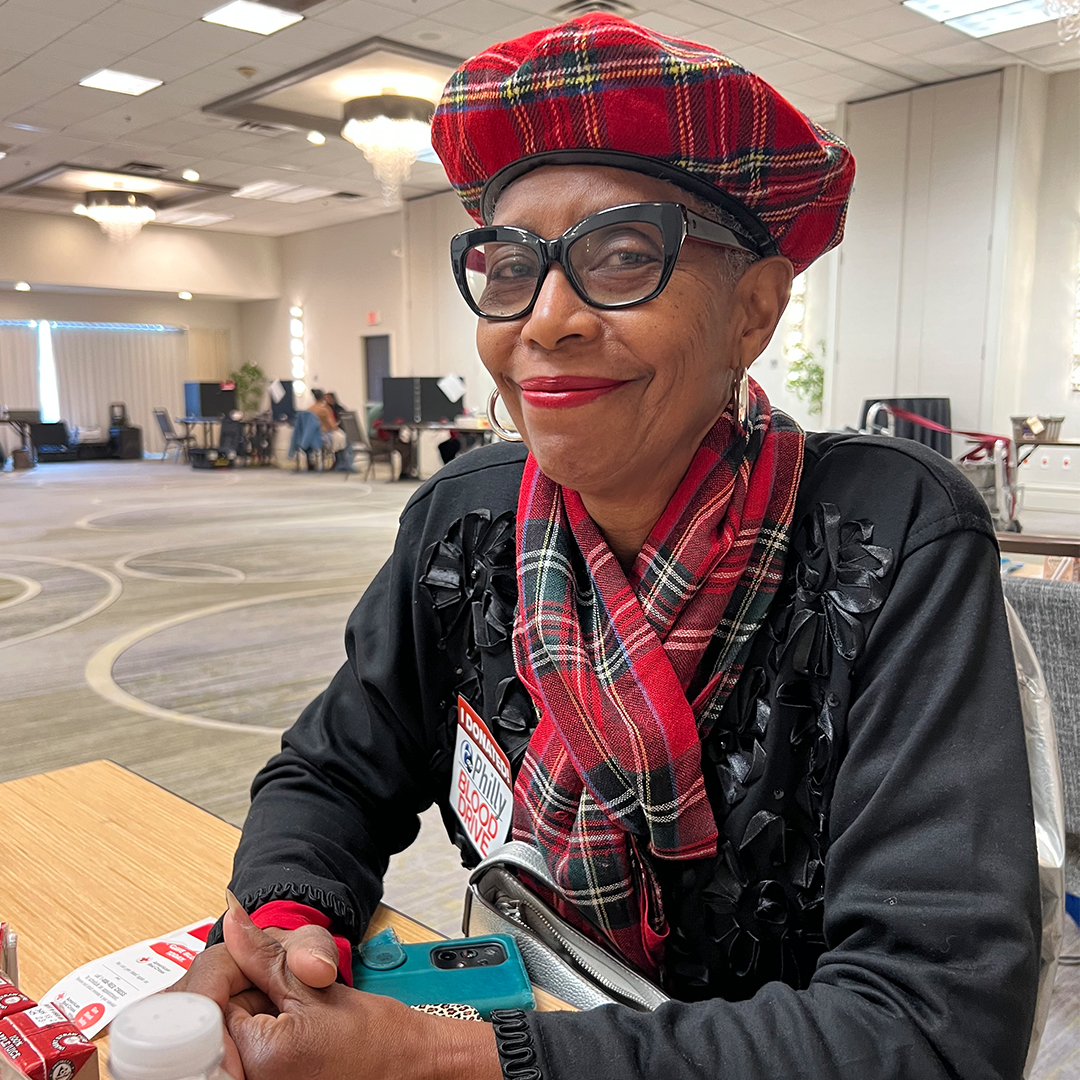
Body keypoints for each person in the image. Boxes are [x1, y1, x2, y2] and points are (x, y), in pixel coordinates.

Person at [173, 15, 1040, 1080]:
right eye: (508, 267)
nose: (548, 319)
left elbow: (932, 1028)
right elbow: (333, 771)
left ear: (752, 313)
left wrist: (449, 1058)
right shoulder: (467, 521)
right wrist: (287, 927)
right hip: (533, 1008)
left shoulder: (887, 540)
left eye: (624, 258)